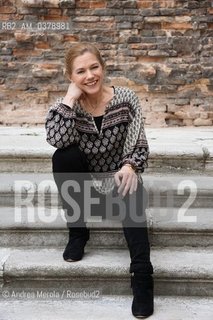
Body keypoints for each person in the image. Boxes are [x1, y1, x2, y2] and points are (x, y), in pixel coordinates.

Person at [45, 42, 154, 318]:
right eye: (80, 71)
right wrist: (69, 100)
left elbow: (138, 144)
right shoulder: (67, 107)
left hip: (120, 184)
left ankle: (142, 275)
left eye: (94, 67)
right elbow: (57, 139)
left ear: (103, 68)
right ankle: (78, 232)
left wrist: (130, 165)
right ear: (70, 76)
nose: (90, 75)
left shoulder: (126, 98)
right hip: (86, 191)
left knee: (131, 183)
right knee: (63, 156)